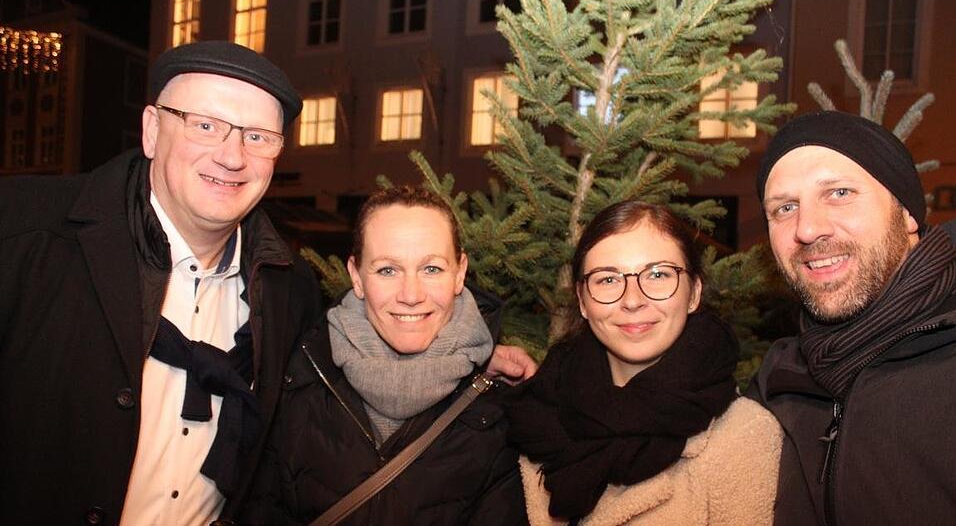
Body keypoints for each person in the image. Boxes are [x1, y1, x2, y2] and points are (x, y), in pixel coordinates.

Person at [0, 41, 536, 526]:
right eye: (204, 124)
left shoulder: (286, 289)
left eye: (257, 136)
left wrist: (466, 353)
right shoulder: (25, 239)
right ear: (151, 128)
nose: (232, 156)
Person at [241, 186, 527, 525]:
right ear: (356, 277)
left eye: (431, 269)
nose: (410, 295)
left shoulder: (503, 403)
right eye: (387, 270)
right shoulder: (299, 374)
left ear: (459, 273)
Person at [507, 200, 782, 525]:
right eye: (607, 279)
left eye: (658, 274)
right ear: (582, 301)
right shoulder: (536, 410)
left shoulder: (743, 437)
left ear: (693, 292)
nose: (633, 300)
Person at [747, 110, 956, 525]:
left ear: (908, 213)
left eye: (839, 193)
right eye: (785, 207)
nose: (807, 228)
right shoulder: (779, 379)